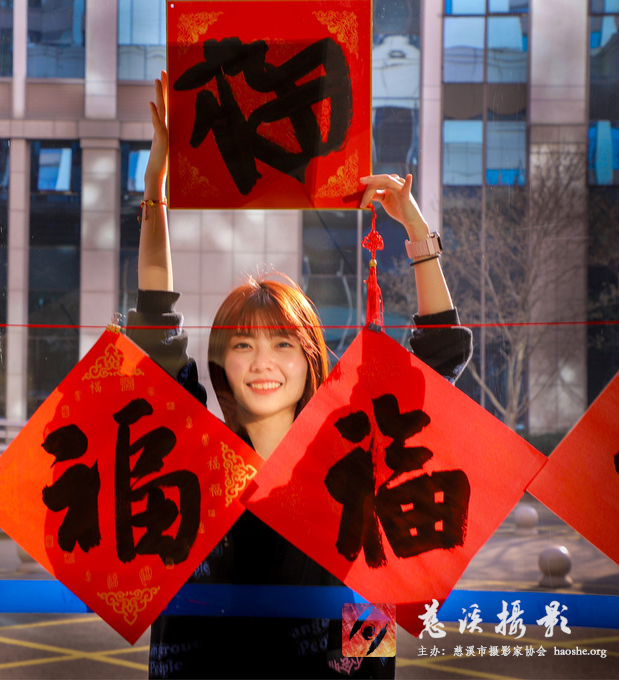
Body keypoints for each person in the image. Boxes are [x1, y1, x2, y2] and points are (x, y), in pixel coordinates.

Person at [125, 73, 473, 679]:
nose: (263, 362)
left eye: (283, 344)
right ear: (220, 364)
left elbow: (435, 363)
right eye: (243, 344)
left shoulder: (353, 465)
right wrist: (155, 190)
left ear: (311, 358)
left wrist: (418, 236)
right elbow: (156, 329)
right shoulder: (194, 463)